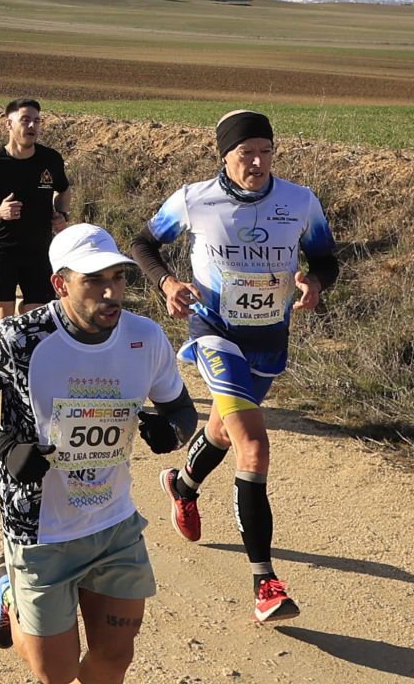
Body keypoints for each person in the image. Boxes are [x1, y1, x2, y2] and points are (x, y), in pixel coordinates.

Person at [0, 225, 197, 683]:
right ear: (61, 284)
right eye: (93, 280)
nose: (110, 291)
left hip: (113, 521)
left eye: (118, 278)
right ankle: (8, 590)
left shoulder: (145, 337)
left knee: (114, 659)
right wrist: (4, 447)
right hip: (40, 526)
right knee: (55, 675)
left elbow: (180, 408)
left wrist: (173, 432)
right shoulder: (18, 340)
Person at [128, 110, 338, 625]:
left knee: (223, 430)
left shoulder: (299, 201)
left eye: (266, 151)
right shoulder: (194, 199)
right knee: (253, 443)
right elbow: (142, 244)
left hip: (268, 336)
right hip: (214, 332)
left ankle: (182, 484)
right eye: (247, 153)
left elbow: (326, 259)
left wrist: (315, 281)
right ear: (224, 155)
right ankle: (265, 580)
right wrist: (167, 284)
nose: (259, 162)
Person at [0, 98, 73, 323]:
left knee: (37, 316)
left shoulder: (50, 159)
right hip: (2, 248)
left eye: (37, 121)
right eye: (25, 120)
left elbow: (63, 191)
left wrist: (61, 214)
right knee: (2, 318)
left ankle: (22, 318)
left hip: (39, 248)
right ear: (9, 124)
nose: (32, 126)